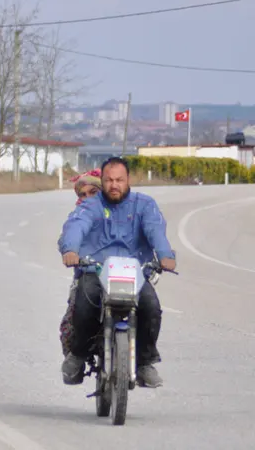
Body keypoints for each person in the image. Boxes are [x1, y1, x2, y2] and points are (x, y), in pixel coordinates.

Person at [58, 156, 176, 388]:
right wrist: (70, 250)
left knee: (151, 307)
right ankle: (78, 355)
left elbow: (156, 231)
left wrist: (166, 256)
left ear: (128, 180)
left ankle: (144, 362)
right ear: (102, 181)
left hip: (134, 273)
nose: (114, 185)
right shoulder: (90, 205)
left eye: (119, 180)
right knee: (83, 304)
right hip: (96, 271)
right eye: (109, 180)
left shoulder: (145, 205)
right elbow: (76, 227)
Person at [58, 169, 101, 356]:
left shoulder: (120, 213)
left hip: (121, 277)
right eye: (82, 194)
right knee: (73, 322)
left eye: (94, 192)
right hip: (88, 274)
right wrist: (70, 250)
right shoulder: (78, 215)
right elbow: (70, 234)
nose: (88, 198)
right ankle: (75, 358)